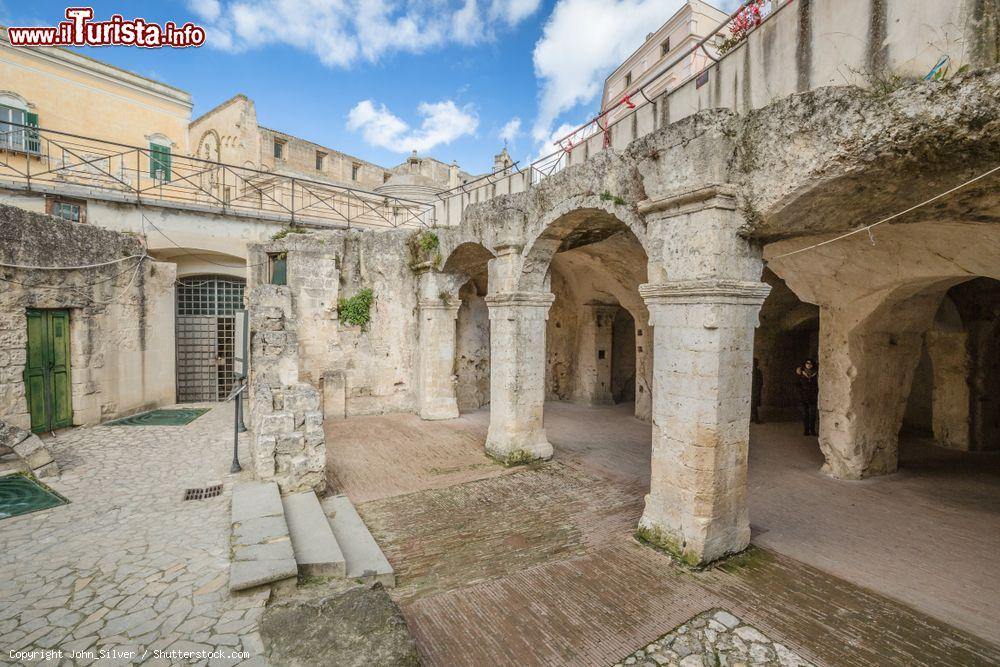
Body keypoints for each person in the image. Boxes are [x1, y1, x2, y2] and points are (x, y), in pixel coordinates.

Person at [795, 359, 819, 436]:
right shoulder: (801, 374)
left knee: (812, 414)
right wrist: (801, 392)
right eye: (807, 363)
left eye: (811, 363)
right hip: (803, 397)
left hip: (813, 396)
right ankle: (806, 430)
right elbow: (796, 385)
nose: (809, 365)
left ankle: (812, 430)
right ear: (805, 364)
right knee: (805, 414)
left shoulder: (816, 374)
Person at [751, 358, 764, 424]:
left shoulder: (758, 372)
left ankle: (755, 418)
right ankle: (755, 418)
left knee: (754, 405)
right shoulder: (751, 371)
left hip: (755, 391)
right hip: (752, 390)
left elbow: (760, 382)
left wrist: (758, 390)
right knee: (753, 405)